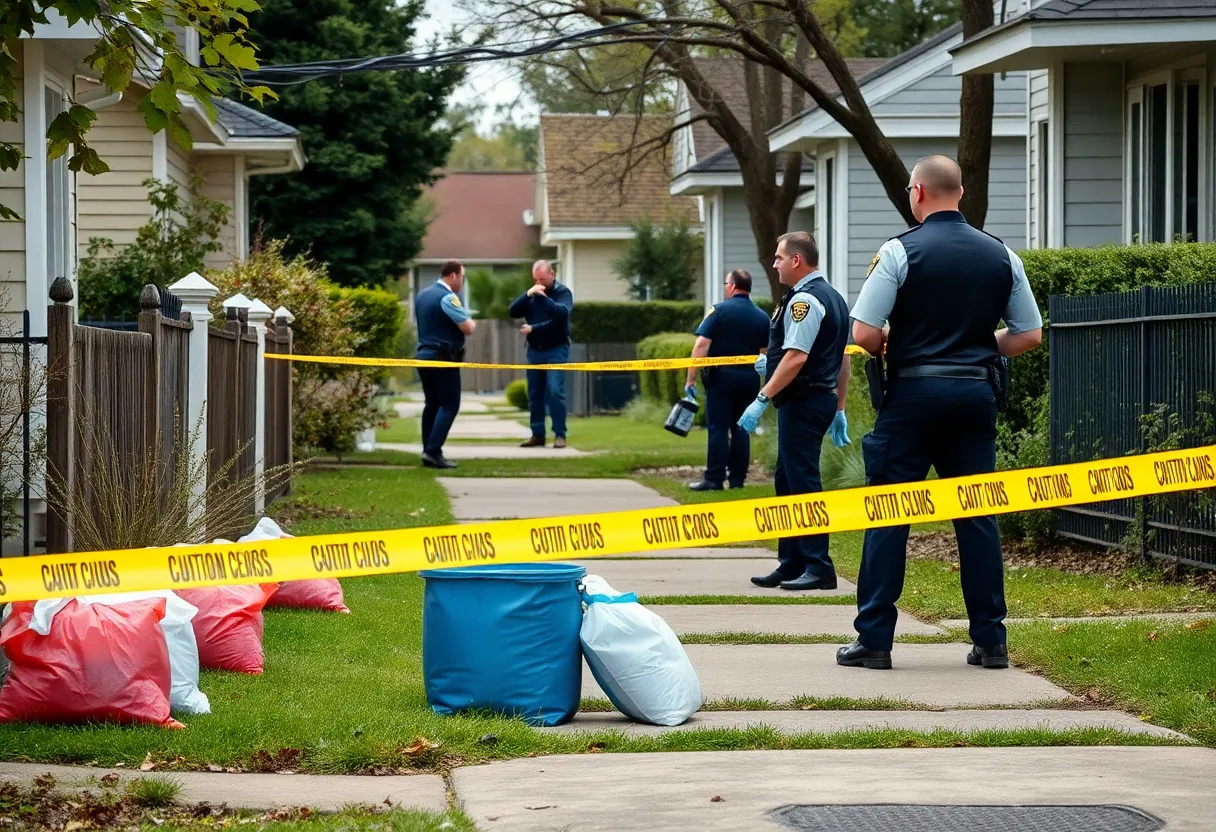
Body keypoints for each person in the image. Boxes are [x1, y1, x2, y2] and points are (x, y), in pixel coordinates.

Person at [837, 155, 1044, 671]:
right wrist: (980, 346)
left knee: (890, 515)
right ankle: (991, 642)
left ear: (919, 193)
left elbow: (863, 332)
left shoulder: (898, 251)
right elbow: (1029, 334)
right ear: (961, 193)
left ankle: (875, 640)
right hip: (974, 396)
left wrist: (893, 344)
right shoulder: (1002, 255)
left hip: (912, 397)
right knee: (977, 517)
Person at [737, 232, 852, 591]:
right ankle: (792, 562)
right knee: (787, 480)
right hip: (816, 399)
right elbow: (843, 358)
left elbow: (797, 357)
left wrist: (762, 397)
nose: (774, 264)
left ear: (796, 260)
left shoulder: (805, 300)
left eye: (778, 258)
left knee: (803, 483)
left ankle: (819, 566)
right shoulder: (833, 297)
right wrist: (839, 406)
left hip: (803, 401)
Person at [684, 269, 770, 491]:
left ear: (732, 286)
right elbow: (764, 353)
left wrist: (690, 378)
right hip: (749, 379)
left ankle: (714, 479)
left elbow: (701, 344)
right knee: (742, 429)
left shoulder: (719, 311)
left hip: (721, 378)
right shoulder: (762, 316)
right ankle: (737, 480)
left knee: (718, 429)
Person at [414, 260, 476, 469]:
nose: (462, 282)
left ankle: (427, 451)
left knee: (432, 404)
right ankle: (433, 451)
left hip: (423, 356)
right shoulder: (448, 297)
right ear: (453, 276)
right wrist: (471, 321)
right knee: (450, 404)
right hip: (443, 358)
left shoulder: (422, 295)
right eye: (462, 278)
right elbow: (467, 327)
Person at [509, 260, 575, 449]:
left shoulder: (563, 293)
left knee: (554, 390)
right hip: (535, 350)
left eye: (542, 280)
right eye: (536, 280)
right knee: (534, 393)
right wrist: (528, 294)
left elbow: (560, 317)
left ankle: (560, 434)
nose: (538, 283)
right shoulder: (532, 293)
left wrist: (535, 325)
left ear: (552, 275)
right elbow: (513, 311)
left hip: (556, 349)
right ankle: (537, 434)